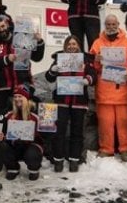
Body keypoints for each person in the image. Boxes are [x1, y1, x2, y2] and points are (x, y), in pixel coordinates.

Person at [89, 15, 127, 161]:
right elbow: (92, 67)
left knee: (124, 122)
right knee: (105, 122)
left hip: (122, 89)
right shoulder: (97, 43)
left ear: (118, 24)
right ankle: (106, 149)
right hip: (104, 91)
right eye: (108, 24)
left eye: (113, 24)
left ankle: (125, 149)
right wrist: (96, 61)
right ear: (105, 25)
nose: (111, 26)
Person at [44, 35, 97, 172]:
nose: (71, 46)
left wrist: (87, 80)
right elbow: (49, 78)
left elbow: (94, 75)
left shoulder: (85, 59)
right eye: (69, 44)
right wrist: (53, 70)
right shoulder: (59, 58)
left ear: (78, 45)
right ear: (65, 46)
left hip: (79, 101)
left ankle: (74, 159)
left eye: (74, 44)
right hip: (61, 101)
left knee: (77, 131)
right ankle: (58, 160)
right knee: (59, 131)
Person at [0, 17, 45, 116]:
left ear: (7, 25)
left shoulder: (23, 40)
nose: (1, 29)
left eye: (3, 26)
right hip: (1, 88)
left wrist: (39, 42)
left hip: (23, 86)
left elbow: (37, 57)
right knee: (3, 119)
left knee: (24, 117)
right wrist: (6, 59)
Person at [2, 85, 44, 181]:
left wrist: (50, 125)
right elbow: (2, 132)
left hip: (31, 145)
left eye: (20, 96)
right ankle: (12, 168)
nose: (17, 99)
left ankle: (34, 169)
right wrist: (2, 136)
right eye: (15, 97)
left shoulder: (36, 115)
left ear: (26, 98)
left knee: (32, 153)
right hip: (14, 145)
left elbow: (45, 135)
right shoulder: (8, 115)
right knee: (2, 146)